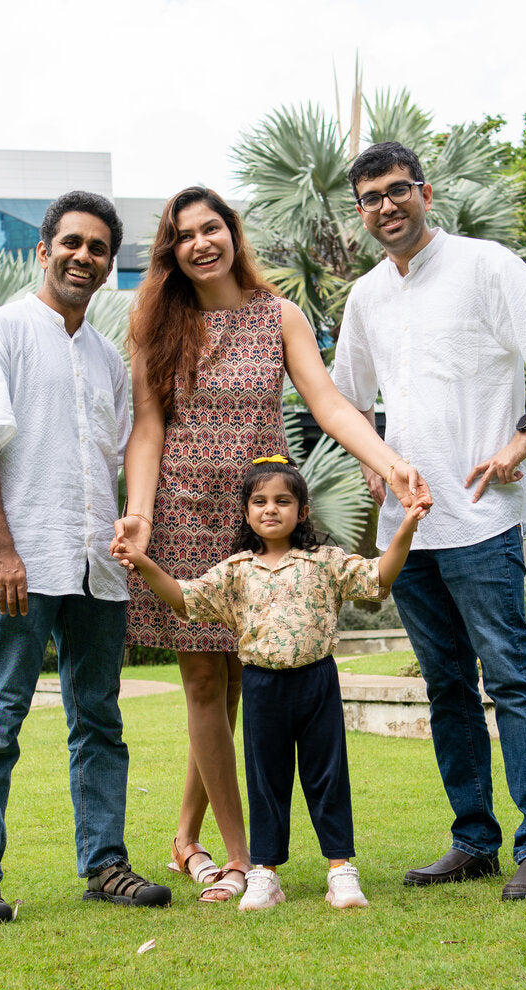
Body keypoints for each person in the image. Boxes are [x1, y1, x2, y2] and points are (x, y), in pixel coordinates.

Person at [116, 185, 432, 903]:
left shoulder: (277, 314)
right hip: (183, 514)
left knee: (240, 683)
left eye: (212, 228)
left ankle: (186, 839)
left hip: (262, 512)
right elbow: (146, 429)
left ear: (232, 233)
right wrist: (137, 516)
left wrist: (389, 463)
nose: (201, 242)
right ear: (171, 250)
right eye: (184, 234)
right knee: (206, 684)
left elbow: (325, 401)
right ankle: (241, 859)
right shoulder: (154, 324)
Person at [332, 142, 526, 900]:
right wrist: (375, 466)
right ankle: (473, 841)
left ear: (424, 191)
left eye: (397, 191)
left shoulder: (486, 265)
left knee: (511, 680)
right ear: (360, 212)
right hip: (408, 532)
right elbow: (348, 397)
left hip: (482, 521)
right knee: (446, 689)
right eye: (370, 198)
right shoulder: (366, 298)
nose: (386, 207)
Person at [0, 190, 171, 924]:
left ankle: (105, 865)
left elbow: (93, 459)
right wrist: (0, 547)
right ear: (43, 250)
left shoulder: (108, 358)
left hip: (96, 567)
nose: (85, 256)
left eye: (99, 248)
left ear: (110, 266)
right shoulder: (2, 332)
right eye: (72, 243)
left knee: (100, 721)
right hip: (22, 566)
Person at [113, 457, 428, 910]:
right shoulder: (235, 570)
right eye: (259, 501)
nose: (270, 509)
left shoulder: (325, 562)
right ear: (245, 513)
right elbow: (185, 597)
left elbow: (380, 576)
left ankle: (341, 870)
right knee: (266, 781)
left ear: (301, 511)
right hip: (262, 687)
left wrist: (408, 529)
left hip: (317, 682)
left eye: (283, 500)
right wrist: (142, 562)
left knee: (327, 776)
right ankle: (264, 873)